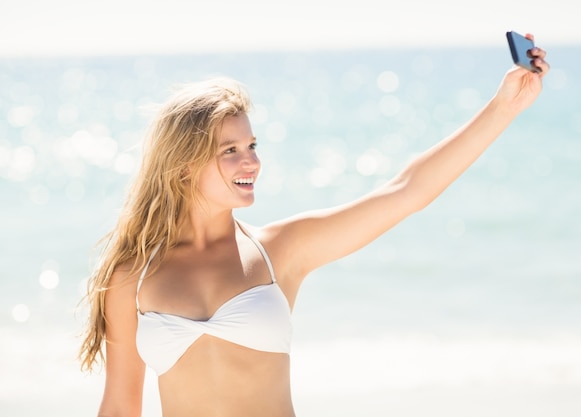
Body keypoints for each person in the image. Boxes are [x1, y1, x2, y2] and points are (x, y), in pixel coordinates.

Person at [79, 35, 549, 417]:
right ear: (183, 165)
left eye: (252, 145)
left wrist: (502, 108)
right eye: (231, 150)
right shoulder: (131, 277)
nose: (253, 161)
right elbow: (121, 406)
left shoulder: (280, 251)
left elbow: (405, 192)